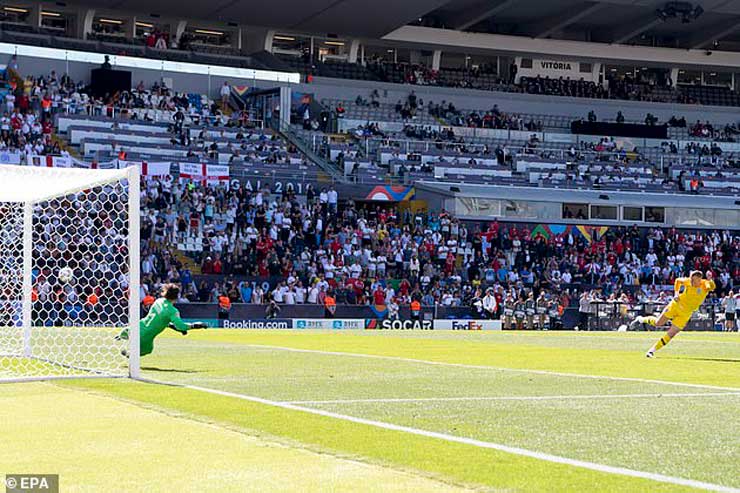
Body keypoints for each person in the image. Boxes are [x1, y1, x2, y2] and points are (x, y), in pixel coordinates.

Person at [631, 271, 715, 357]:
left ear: (699, 279)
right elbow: (678, 281)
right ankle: (640, 319)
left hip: (686, 313)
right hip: (676, 305)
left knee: (671, 334)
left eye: (694, 280)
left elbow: (711, 287)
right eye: (691, 280)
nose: (692, 282)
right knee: (658, 323)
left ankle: (651, 351)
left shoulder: (705, 284)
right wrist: (676, 294)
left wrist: (710, 280)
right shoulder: (688, 281)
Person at [117, 284, 207, 357]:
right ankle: (129, 354)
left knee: (128, 336)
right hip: (147, 337)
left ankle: (121, 336)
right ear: (177, 296)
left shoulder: (158, 301)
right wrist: (195, 325)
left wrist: (174, 327)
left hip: (138, 327)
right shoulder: (172, 311)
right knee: (147, 350)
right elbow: (181, 326)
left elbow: (161, 320)